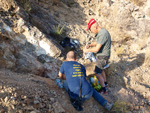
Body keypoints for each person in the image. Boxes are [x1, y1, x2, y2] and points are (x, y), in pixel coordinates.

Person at [83, 18, 111, 94]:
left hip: (103, 56)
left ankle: (104, 90)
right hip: (103, 56)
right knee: (101, 70)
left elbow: (96, 49)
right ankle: (105, 83)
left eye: (90, 29)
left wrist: (87, 50)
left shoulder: (102, 34)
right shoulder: (101, 32)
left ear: (94, 26)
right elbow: (98, 42)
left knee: (97, 73)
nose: (91, 31)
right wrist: (90, 45)